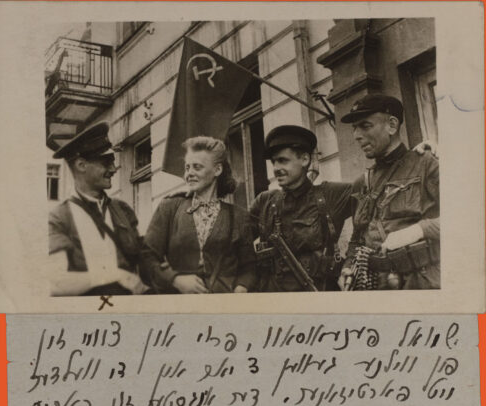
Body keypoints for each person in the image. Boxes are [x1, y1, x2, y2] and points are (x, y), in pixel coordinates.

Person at [338, 94, 440, 290]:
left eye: (365, 126)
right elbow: (358, 238)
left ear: (392, 125)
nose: (356, 135)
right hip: (375, 285)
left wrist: (418, 230)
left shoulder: (426, 164)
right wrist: (348, 266)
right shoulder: (363, 183)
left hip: (421, 283)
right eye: (354, 128)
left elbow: (466, 220)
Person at [142, 136, 257, 294]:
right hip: (179, 307)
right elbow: (146, 257)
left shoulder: (238, 216)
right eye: (187, 167)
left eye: (197, 167)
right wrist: (174, 279)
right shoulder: (170, 207)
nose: (189, 173)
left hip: (224, 306)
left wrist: (241, 288)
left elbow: (249, 267)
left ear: (217, 170)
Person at [250, 125, 354, 292]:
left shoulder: (330, 195)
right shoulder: (265, 202)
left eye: (283, 160)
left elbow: (372, 192)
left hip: (320, 297)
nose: (276, 168)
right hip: (275, 299)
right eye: (273, 162)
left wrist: (350, 260)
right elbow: (236, 241)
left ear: (305, 159)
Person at [48, 122, 147, 296]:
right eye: (106, 162)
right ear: (81, 165)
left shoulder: (122, 210)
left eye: (112, 162)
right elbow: (56, 283)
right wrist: (110, 275)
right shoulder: (59, 217)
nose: (113, 169)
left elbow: (143, 259)